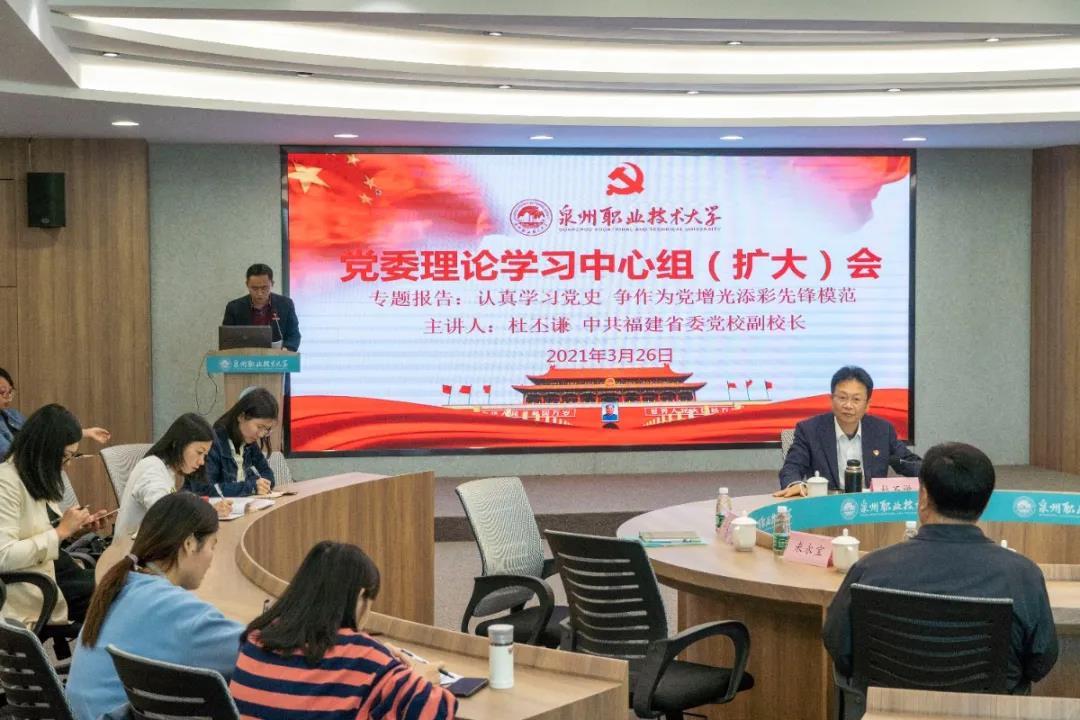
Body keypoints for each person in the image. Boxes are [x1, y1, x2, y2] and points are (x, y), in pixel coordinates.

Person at [823, 442, 1058, 695]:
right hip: (987, 711)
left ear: (923, 497)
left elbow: (840, 647)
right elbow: (1040, 662)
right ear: (985, 502)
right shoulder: (1023, 576)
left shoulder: (870, 569)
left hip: (887, 710)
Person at [229, 541, 458, 719]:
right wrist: (420, 678)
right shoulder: (365, 658)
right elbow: (436, 711)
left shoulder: (254, 640)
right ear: (360, 596)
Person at [66, 493, 245, 720]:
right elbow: (257, 656)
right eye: (212, 546)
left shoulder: (122, 585)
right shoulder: (176, 610)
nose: (212, 558)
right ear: (189, 544)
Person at [0, 404, 108, 626]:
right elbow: (4, 557)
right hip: (39, 584)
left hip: (60, 572)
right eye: (64, 457)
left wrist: (76, 530)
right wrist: (61, 532)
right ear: (44, 449)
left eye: (71, 456)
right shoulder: (6, 483)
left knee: (132, 582)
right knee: (124, 594)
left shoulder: (35, 476)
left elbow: (44, 530)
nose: (66, 465)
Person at [776, 366, 921, 497]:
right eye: (842, 398)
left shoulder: (882, 430)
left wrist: (930, 472)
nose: (848, 405)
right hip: (827, 507)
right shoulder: (809, 430)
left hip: (869, 508)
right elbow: (792, 467)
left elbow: (909, 462)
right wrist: (796, 485)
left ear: (867, 404)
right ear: (831, 399)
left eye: (856, 399)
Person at [115, 413, 231, 538]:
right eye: (199, 452)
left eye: (205, 455)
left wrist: (208, 510)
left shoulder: (168, 471)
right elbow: (165, 514)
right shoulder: (151, 469)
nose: (202, 461)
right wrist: (205, 514)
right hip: (131, 547)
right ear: (177, 444)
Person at [0, 366, 112, 458]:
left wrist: (85, 433)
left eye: (10, 392)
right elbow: (8, 455)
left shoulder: (13, 415)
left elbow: (42, 435)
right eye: (2, 392)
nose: (8, 397)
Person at [186, 388, 276, 497]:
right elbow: (204, 489)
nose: (261, 435)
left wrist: (260, 485)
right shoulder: (214, 443)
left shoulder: (250, 443)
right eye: (259, 426)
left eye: (266, 429)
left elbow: (268, 475)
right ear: (241, 416)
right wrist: (251, 487)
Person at [222, 263, 301, 351]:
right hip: (244, 356)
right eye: (254, 288)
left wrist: (286, 350)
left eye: (264, 288)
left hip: (277, 357)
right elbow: (227, 339)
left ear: (272, 284)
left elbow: (294, 335)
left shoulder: (286, 304)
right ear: (247, 285)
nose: (259, 293)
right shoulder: (234, 307)